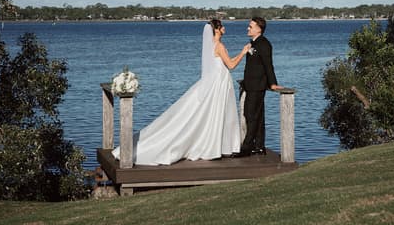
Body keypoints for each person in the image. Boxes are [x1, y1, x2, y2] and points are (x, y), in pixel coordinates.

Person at [112, 19, 251, 166]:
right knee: (215, 113)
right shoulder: (220, 46)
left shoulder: (213, 46)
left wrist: (240, 53)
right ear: (216, 29)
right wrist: (243, 52)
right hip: (219, 84)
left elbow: (227, 63)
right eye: (222, 26)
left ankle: (215, 144)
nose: (224, 28)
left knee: (211, 114)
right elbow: (231, 65)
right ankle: (213, 145)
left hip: (218, 82)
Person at [234, 16, 281, 157]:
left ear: (259, 29)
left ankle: (247, 147)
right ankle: (259, 146)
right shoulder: (253, 43)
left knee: (250, 114)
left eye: (250, 26)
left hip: (258, 85)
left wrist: (273, 83)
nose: (247, 28)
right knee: (257, 116)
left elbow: (268, 65)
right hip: (250, 85)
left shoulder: (264, 44)